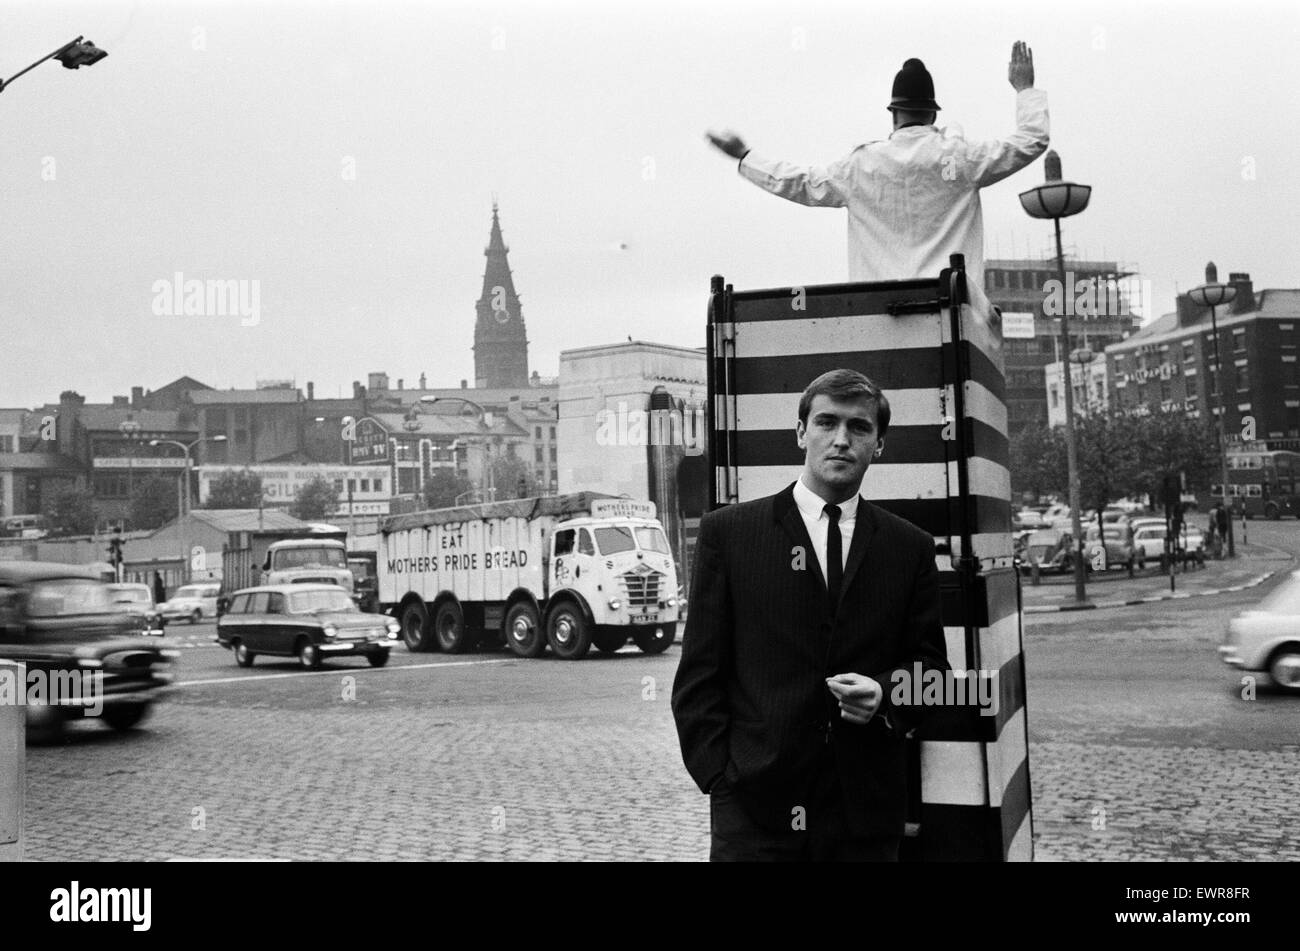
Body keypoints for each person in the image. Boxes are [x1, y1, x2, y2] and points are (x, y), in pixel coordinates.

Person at [671, 369, 950, 861]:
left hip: (864, 819)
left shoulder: (910, 548)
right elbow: (698, 676)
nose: (841, 439)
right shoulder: (730, 536)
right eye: (826, 422)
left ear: (879, 443)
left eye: (859, 428)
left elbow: (933, 673)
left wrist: (886, 693)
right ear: (801, 432)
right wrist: (722, 780)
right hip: (755, 816)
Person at [706, 42, 1049, 288]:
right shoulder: (961, 159)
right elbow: (1032, 140)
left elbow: (798, 183)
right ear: (932, 113)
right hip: (954, 309)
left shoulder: (861, 166)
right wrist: (1025, 88)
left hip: (880, 312)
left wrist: (745, 157)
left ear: (894, 113)